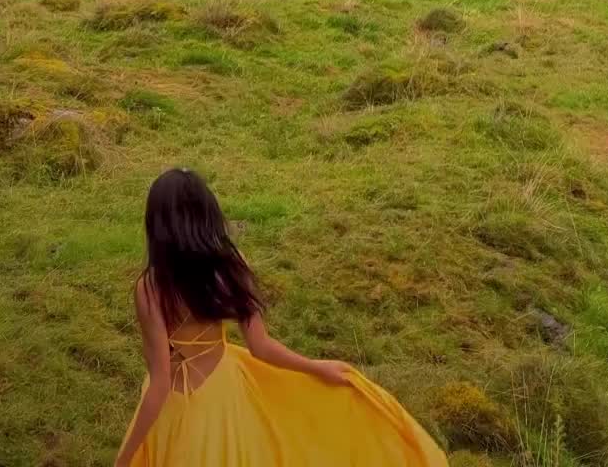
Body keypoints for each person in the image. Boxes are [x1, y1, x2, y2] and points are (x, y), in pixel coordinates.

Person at [116, 167, 447, 466]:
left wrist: (125, 456)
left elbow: (160, 383)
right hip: (225, 392)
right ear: (207, 216)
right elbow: (260, 346)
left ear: (157, 226)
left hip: (174, 408)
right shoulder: (231, 265)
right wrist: (315, 366)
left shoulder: (150, 288)